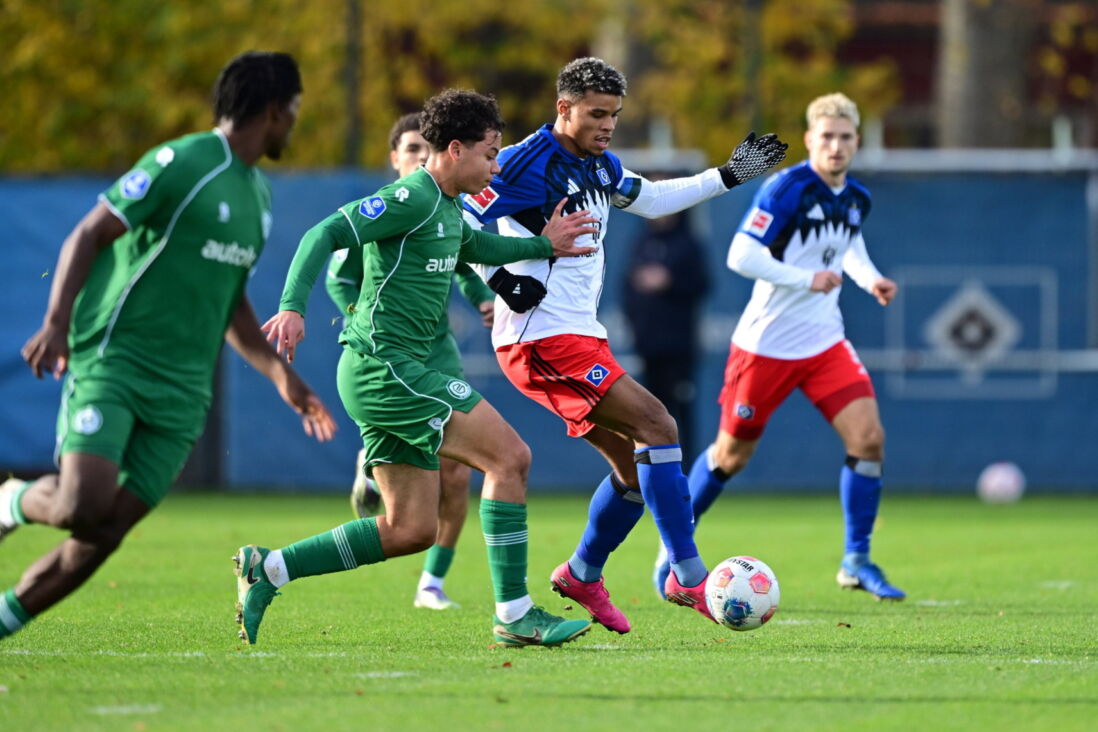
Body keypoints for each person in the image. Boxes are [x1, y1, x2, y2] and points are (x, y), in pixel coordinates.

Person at [243, 89, 600, 648]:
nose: (496, 164)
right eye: (489, 153)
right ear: (454, 150)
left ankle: (269, 569)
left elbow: (477, 244)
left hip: (385, 374)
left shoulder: (448, 208)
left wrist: (544, 243)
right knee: (510, 458)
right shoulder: (410, 197)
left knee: (409, 529)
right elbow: (324, 234)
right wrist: (292, 304)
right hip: (387, 368)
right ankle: (515, 612)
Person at [0, 51, 337, 642]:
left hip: (182, 392)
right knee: (83, 505)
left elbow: (231, 303)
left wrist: (280, 377)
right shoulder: (184, 161)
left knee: (104, 533)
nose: (294, 123)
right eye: (295, 110)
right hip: (117, 359)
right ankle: (14, 499)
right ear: (273, 109)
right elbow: (90, 231)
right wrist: (56, 322)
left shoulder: (258, 198)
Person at [461, 56, 788, 633]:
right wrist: (503, 279)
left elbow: (655, 199)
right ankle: (687, 574)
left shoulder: (601, 165)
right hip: (540, 337)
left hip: (579, 336)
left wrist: (727, 175)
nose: (607, 124)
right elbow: (457, 222)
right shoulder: (521, 165)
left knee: (635, 474)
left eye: (614, 114)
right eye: (595, 114)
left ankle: (582, 573)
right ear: (563, 109)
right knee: (659, 425)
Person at [656, 92, 905, 601]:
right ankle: (676, 547)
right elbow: (740, 253)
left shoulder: (856, 196)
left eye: (845, 137)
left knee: (869, 438)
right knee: (731, 455)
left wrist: (871, 278)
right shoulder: (787, 187)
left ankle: (857, 560)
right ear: (811, 139)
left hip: (825, 343)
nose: (836, 146)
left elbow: (847, 244)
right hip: (765, 345)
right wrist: (802, 279)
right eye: (826, 137)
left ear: (856, 141)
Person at [326, 112, 496, 611]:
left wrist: (483, 296)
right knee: (500, 458)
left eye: (429, 147)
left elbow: (464, 260)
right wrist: (362, 319)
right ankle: (374, 461)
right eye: (413, 149)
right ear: (394, 158)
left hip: (436, 349)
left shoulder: (444, 208)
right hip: (389, 353)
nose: (423, 156)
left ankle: (432, 583)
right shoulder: (388, 210)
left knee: (461, 472)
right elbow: (339, 275)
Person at [622, 199, 710, 459]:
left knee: (681, 410)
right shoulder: (642, 243)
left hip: (679, 346)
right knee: (650, 412)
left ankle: (687, 471)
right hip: (648, 344)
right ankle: (654, 466)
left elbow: (702, 284)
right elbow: (627, 287)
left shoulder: (688, 244)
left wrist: (670, 281)